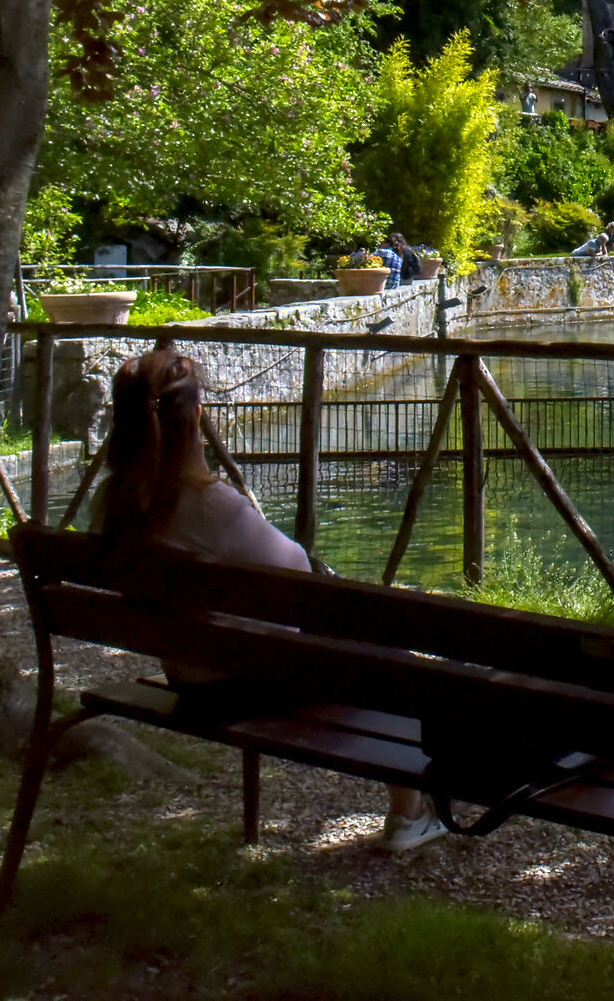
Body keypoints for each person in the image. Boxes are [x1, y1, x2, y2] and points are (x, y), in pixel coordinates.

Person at [96, 347, 447, 851]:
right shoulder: (213, 505)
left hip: (186, 675)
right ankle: (409, 810)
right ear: (197, 415)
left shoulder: (117, 502)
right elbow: (296, 575)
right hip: (244, 685)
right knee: (390, 661)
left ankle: (412, 805)